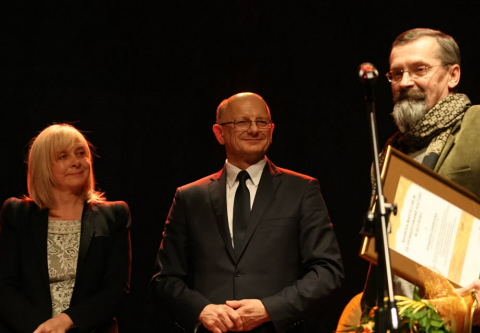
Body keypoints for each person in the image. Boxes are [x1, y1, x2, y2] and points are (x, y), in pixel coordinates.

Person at [338, 28, 480, 332]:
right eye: (396, 73)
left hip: (476, 319)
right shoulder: (387, 154)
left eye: (419, 69)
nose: (405, 82)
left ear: (453, 75)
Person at [149, 92, 344, 333]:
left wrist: (270, 309)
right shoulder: (190, 197)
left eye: (262, 122)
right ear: (219, 133)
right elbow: (165, 279)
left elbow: (328, 271)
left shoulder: (301, 190)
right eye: (242, 122)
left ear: (271, 130)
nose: (254, 129)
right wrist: (201, 310)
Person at [0, 123, 132, 333]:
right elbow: (5, 287)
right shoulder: (17, 214)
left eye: (81, 153)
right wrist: (41, 329)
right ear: (44, 165)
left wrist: (66, 321)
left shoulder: (114, 214)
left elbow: (116, 290)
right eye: (63, 156)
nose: (76, 162)